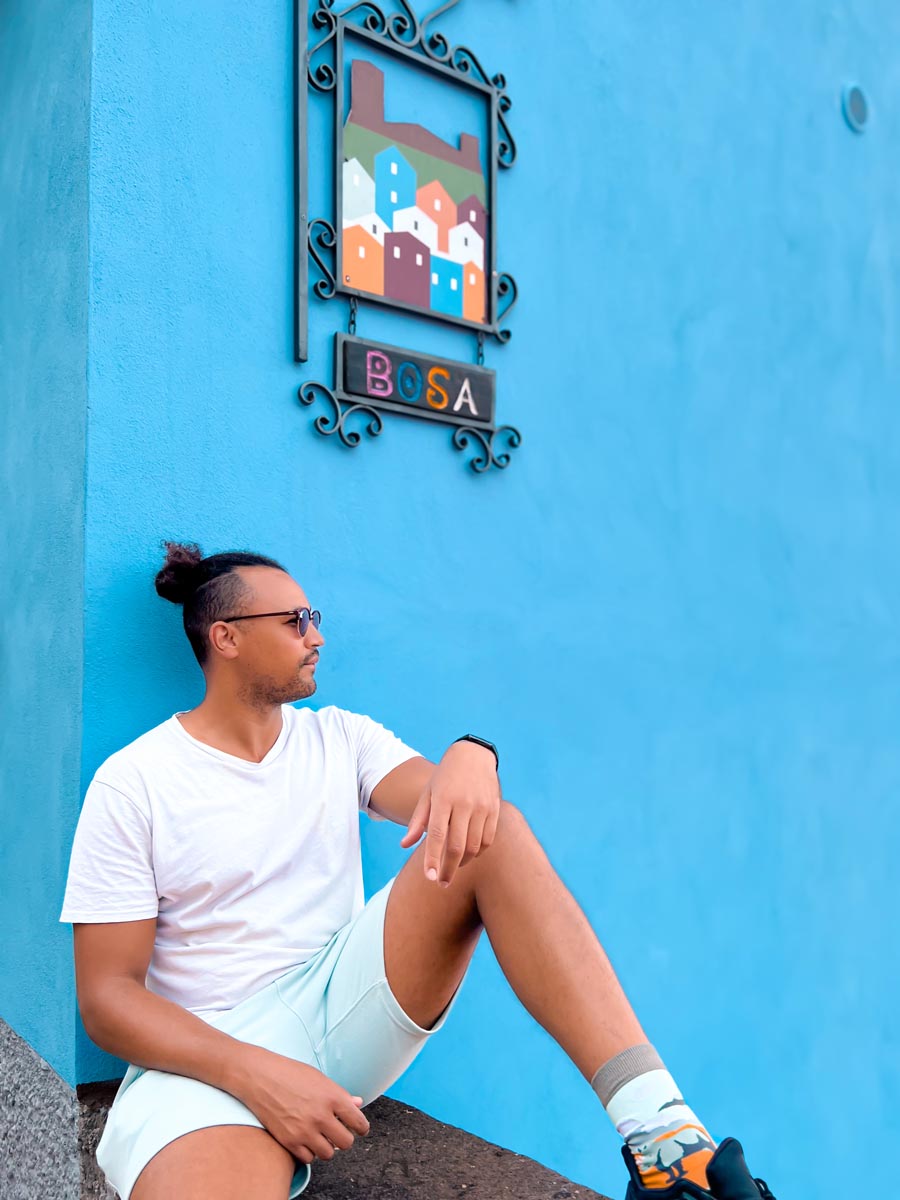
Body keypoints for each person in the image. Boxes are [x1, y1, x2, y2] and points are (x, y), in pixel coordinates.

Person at [61, 542, 775, 1200]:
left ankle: (665, 1138)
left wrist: (473, 753)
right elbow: (107, 999)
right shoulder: (136, 783)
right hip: (203, 1063)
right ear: (227, 637)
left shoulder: (341, 738)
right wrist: (256, 1073)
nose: (318, 635)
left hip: (340, 1006)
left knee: (490, 833)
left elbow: (450, 804)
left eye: (315, 617)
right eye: (296, 620)